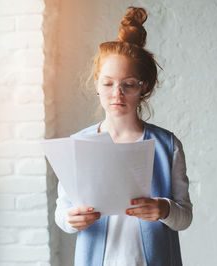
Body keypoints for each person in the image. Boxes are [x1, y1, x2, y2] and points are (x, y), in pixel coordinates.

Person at [55, 6, 193, 266]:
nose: (117, 94)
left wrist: (163, 208)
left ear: (144, 87)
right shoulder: (79, 144)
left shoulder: (167, 145)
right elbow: (62, 214)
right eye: (108, 83)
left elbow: (184, 216)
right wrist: (71, 219)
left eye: (128, 84)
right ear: (97, 84)